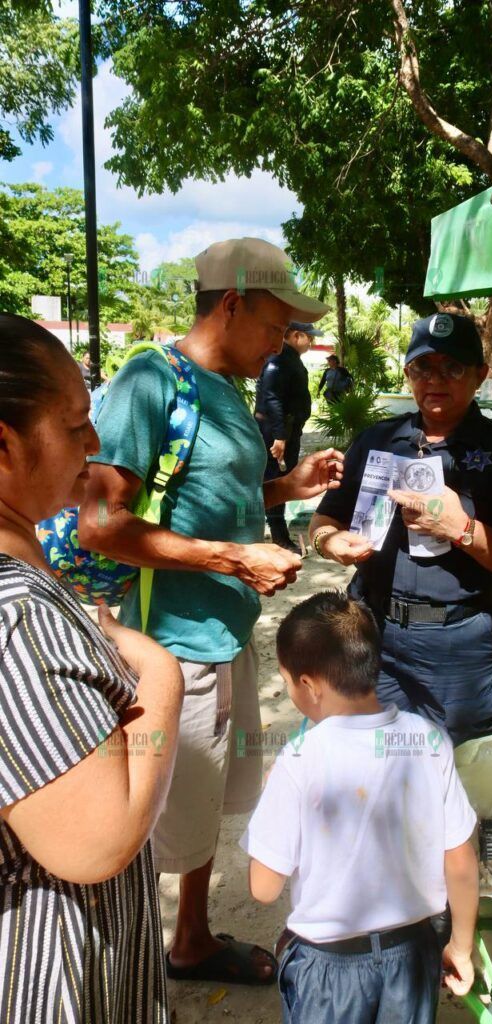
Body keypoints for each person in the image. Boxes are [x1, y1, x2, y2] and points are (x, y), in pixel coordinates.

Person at [78, 237, 343, 986]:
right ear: (233, 302)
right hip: (168, 646)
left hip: (223, 635)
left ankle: (190, 939)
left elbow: (210, 501)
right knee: (145, 816)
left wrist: (286, 488)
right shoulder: (149, 380)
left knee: (204, 801)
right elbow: (102, 520)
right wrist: (235, 560)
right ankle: (115, 964)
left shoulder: (227, 389)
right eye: (277, 321)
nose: (285, 339)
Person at [0, 313, 183, 1022]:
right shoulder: (17, 618)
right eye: (76, 423)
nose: (95, 443)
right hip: (43, 982)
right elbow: (101, 837)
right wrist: (158, 673)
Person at [240, 591, 479, 1024]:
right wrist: (461, 945)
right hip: (412, 958)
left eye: (287, 682)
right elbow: (460, 860)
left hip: (327, 972)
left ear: (309, 686)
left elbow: (264, 887)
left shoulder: (297, 760)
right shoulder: (429, 740)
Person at [310, 312, 492, 747]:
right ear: (408, 373)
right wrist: (329, 542)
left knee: (463, 770)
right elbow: (325, 518)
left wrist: (462, 528)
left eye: (452, 367)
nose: (435, 380)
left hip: (459, 645)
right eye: (423, 367)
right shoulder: (376, 440)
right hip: (370, 629)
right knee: (371, 764)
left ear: (480, 374)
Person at [255, 321, 323, 552]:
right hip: (276, 432)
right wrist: (280, 436)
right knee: (275, 482)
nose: (311, 342)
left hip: (285, 430)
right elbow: (272, 399)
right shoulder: (279, 359)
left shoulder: (288, 358)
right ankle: (279, 537)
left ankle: (277, 534)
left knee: (278, 481)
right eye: (309, 337)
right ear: (296, 335)